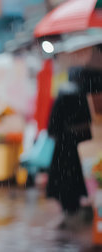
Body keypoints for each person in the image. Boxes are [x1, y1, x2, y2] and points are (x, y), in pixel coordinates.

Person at [46, 36, 102, 227]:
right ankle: (89, 210)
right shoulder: (95, 89)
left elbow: (53, 125)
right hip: (91, 139)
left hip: (66, 144)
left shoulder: (66, 90)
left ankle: (70, 211)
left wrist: (55, 133)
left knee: (67, 180)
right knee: (86, 177)